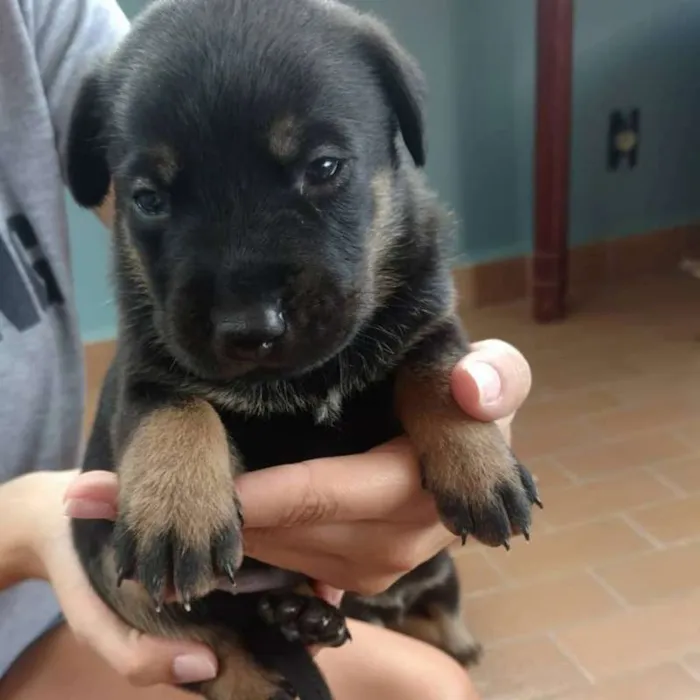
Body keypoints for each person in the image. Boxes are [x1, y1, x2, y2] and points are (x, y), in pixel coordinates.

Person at [0, 0, 533, 698]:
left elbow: (429, 342)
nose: (246, 312)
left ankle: (414, 604)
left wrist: (455, 404)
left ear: (396, 137)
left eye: (323, 167)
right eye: (155, 201)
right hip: (60, 593)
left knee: (437, 685)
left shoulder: (38, 13)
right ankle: (245, 646)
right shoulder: (158, 309)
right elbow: (154, 387)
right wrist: (40, 527)